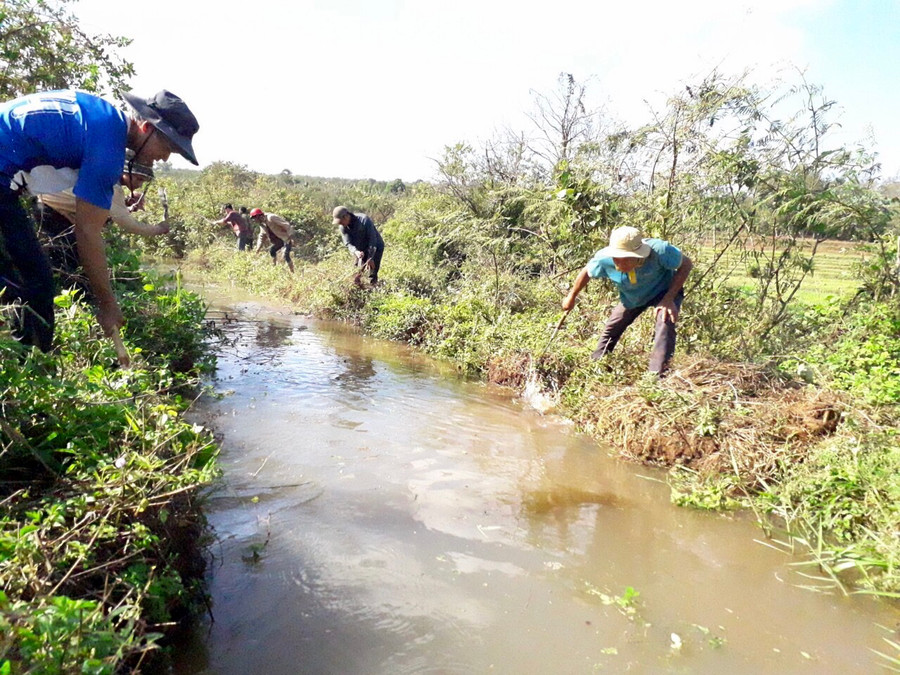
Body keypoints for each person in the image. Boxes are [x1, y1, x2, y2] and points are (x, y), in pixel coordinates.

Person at [0, 88, 198, 351]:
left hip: (6, 188)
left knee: (33, 280)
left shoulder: (99, 113)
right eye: (167, 146)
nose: (164, 157)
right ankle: (32, 367)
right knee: (32, 287)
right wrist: (107, 305)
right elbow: (88, 230)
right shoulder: (108, 146)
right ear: (146, 126)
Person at [562, 225, 692, 375]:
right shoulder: (603, 258)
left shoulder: (661, 251)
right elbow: (587, 272)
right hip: (633, 297)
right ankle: (596, 368)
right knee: (612, 327)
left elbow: (686, 264)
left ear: (639, 255)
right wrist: (571, 296)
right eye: (616, 259)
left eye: (625, 259)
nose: (619, 264)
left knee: (665, 320)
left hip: (664, 291)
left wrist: (669, 299)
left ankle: (657, 377)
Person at [30, 153, 170, 286]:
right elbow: (128, 224)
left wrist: (125, 202)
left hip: (44, 205)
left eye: (143, 181)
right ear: (124, 171)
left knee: (67, 260)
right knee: (72, 262)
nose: (139, 184)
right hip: (50, 211)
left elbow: (97, 201)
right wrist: (159, 229)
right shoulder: (113, 187)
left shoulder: (107, 174)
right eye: (138, 179)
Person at [332, 206, 384, 285]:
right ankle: (359, 288)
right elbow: (348, 243)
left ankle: (373, 286)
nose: (340, 224)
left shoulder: (364, 220)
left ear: (346, 217)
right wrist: (355, 251)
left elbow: (372, 240)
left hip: (375, 247)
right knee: (356, 273)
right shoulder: (343, 227)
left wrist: (370, 257)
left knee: (372, 271)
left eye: (341, 221)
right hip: (360, 249)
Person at [251, 208, 295, 272]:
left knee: (286, 255)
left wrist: (291, 237)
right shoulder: (262, 224)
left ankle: (292, 271)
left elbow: (286, 225)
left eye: (254, 218)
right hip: (278, 241)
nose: (254, 220)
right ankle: (274, 268)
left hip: (286, 239)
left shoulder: (271, 217)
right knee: (272, 251)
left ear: (258, 216)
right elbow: (262, 236)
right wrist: (258, 249)